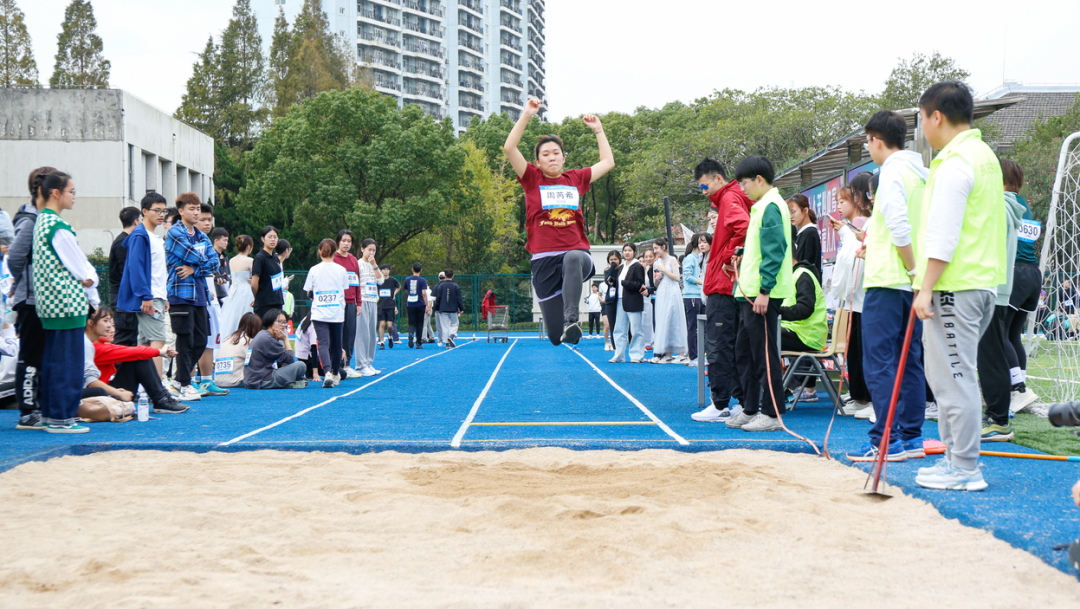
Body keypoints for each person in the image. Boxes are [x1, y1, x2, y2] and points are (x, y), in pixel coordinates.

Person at [912, 82, 1006, 492]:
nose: (920, 127)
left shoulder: (954, 163)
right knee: (951, 374)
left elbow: (944, 234)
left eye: (921, 118)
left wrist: (925, 287)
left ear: (936, 116)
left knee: (954, 378)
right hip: (978, 284)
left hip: (955, 286)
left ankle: (965, 467)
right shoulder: (983, 155)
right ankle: (954, 459)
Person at [502, 97, 615, 345]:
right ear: (538, 161)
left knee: (573, 256)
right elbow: (510, 148)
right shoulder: (532, 178)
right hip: (543, 261)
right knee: (555, 337)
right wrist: (527, 114)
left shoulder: (574, 178)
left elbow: (608, 162)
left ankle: (572, 319)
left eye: (556, 153)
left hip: (575, 256)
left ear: (564, 158)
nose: (552, 157)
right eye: (546, 154)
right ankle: (565, 328)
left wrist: (598, 129)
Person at [725, 156, 793, 433]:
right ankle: (751, 407)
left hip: (761, 294)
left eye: (744, 182)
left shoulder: (772, 206)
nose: (742, 188)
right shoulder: (761, 206)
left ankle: (773, 412)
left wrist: (765, 290)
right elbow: (762, 247)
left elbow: (775, 250)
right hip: (749, 292)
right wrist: (742, 254)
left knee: (764, 354)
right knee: (745, 352)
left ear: (759, 180)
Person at [32, 171, 101, 433]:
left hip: (50, 305)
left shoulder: (42, 222)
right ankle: (62, 417)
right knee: (69, 364)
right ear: (56, 193)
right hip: (67, 304)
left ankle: (51, 414)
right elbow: (83, 271)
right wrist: (92, 293)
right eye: (71, 191)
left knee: (53, 362)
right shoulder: (58, 227)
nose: (74, 196)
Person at [693, 158, 752, 423]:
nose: (703, 192)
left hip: (723, 287)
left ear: (718, 178)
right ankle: (739, 401)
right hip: (728, 286)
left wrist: (731, 256)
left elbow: (745, 228)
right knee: (734, 347)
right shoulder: (733, 198)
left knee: (718, 346)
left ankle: (720, 404)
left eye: (704, 186)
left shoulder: (730, 199)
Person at [977, 161, 1028, 442]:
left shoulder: (998, 208)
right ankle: (997, 416)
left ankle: (998, 419)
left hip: (991, 289)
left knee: (990, 356)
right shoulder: (1008, 207)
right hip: (996, 289)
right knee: (992, 353)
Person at [10, 166, 55, 430]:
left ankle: (39, 405)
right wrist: (26, 284)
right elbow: (15, 258)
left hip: (43, 300)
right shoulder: (29, 220)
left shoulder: (44, 219)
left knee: (42, 356)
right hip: (30, 301)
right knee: (30, 356)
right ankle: (27, 411)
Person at [117, 192, 175, 395]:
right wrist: (146, 296)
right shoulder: (141, 236)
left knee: (144, 344)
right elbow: (136, 267)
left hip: (156, 296)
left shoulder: (154, 237)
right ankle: (158, 390)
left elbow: (159, 271)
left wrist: (164, 297)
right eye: (157, 210)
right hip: (149, 297)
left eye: (164, 211)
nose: (161, 215)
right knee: (158, 342)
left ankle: (144, 389)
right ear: (144, 212)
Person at [84, 306, 187, 413]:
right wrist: (161, 352)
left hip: (106, 391)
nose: (110, 327)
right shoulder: (94, 348)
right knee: (138, 356)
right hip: (96, 397)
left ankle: (162, 396)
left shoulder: (98, 345)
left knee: (138, 356)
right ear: (90, 323)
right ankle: (160, 399)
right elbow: (91, 382)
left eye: (111, 322)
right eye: (106, 321)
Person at [165, 193, 218, 402]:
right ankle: (185, 383)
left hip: (200, 294)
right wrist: (199, 264)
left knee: (201, 338)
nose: (196, 213)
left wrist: (194, 270)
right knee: (185, 341)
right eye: (191, 209)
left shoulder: (202, 236)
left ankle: (178, 381)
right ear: (181, 211)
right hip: (180, 294)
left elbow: (214, 264)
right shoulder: (175, 233)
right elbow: (195, 256)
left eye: (198, 209)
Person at [827, 176, 873, 414]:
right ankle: (859, 395)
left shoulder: (862, 222)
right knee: (855, 349)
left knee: (863, 349)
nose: (841, 205)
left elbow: (853, 257)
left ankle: (867, 397)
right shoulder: (856, 225)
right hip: (855, 298)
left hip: (863, 296)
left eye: (847, 197)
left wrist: (848, 233)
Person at [1000, 160, 1043, 413]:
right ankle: (1020, 387)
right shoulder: (1024, 204)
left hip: (1016, 271)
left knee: (999, 333)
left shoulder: (1004, 203)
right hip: (1033, 274)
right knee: (1013, 333)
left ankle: (1019, 389)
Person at [779, 251, 828, 392]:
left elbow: (805, 309)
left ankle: (777, 392)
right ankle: (779, 389)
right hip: (799, 331)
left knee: (764, 337)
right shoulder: (794, 275)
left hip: (807, 335)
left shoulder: (803, 275)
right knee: (762, 334)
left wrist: (777, 311)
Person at [303, 239, 349, 388]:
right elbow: (344, 288)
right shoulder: (341, 270)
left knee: (322, 343)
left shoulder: (314, 270)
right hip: (336, 312)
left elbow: (309, 291)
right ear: (336, 252)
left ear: (319, 252)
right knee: (336, 344)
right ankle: (335, 373)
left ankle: (327, 372)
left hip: (319, 313)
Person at [194, 207, 229, 397]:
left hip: (210, 295)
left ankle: (207, 380)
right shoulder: (186, 239)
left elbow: (212, 267)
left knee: (211, 339)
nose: (207, 223)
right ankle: (188, 381)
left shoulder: (205, 242)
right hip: (194, 297)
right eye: (203, 219)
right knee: (192, 340)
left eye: (209, 219)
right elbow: (194, 266)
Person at [244, 309, 307, 390]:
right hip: (262, 380)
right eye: (280, 322)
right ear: (270, 322)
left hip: (254, 379)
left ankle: (291, 381)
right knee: (300, 366)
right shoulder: (268, 338)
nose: (283, 325)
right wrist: (285, 340)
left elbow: (282, 360)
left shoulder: (263, 334)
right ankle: (290, 382)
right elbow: (291, 359)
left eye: (285, 322)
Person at [649, 237, 688, 364]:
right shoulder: (656, 263)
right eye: (654, 249)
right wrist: (658, 277)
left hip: (672, 292)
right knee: (663, 320)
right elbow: (655, 283)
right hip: (661, 292)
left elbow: (677, 277)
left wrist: (664, 270)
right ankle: (667, 353)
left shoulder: (672, 260)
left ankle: (681, 353)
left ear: (663, 247)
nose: (655, 251)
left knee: (675, 319)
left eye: (656, 248)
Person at [108, 206, 142, 346]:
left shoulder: (126, 240)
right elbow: (125, 273)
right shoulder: (123, 242)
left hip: (124, 296)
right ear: (135, 222)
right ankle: (116, 367)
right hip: (122, 297)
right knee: (124, 337)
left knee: (131, 336)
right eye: (140, 220)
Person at [610, 243, 647, 363]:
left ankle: (636, 355)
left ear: (634, 252)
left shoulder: (637, 266)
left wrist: (625, 283)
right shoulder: (621, 267)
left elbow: (638, 284)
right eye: (625, 250)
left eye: (629, 250)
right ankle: (619, 355)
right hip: (620, 300)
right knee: (619, 329)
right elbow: (620, 283)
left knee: (636, 329)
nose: (627, 252)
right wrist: (613, 282)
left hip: (633, 300)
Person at [333, 230, 363, 377]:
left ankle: (348, 364)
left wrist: (359, 302)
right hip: (337, 302)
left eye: (349, 241)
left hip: (351, 303)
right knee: (337, 333)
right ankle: (336, 365)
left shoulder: (353, 260)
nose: (346, 244)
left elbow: (357, 283)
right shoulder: (333, 258)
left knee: (350, 333)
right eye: (343, 240)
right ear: (338, 241)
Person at [354, 238, 384, 375]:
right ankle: (360, 365)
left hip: (372, 300)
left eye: (374, 250)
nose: (372, 252)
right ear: (362, 250)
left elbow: (381, 280)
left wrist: (374, 265)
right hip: (362, 300)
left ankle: (368, 362)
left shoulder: (374, 265)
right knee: (362, 334)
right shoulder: (358, 264)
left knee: (372, 333)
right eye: (369, 250)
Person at [681, 233, 710, 365]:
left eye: (704, 242)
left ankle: (700, 354)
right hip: (691, 296)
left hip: (701, 295)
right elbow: (687, 276)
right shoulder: (690, 258)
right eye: (700, 242)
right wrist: (702, 283)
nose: (702, 244)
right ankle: (693, 356)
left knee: (703, 327)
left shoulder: (700, 258)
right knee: (693, 327)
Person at [219, 234, 254, 343]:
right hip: (246, 290)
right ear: (249, 247)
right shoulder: (250, 260)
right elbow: (254, 278)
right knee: (246, 317)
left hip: (233, 291)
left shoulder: (232, 260)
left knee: (231, 318)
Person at [215, 312, 261, 389]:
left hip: (218, 380)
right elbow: (259, 362)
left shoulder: (228, 338)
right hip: (237, 381)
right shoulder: (249, 341)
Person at [251, 226, 285, 319]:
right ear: (263, 239)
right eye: (270, 237)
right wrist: (258, 297)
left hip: (277, 301)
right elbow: (254, 284)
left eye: (275, 237)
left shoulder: (275, 258)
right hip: (264, 304)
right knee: (265, 331)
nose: (273, 239)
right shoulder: (260, 258)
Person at [787, 194, 821, 274]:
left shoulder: (810, 233)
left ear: (805, 210)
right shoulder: (803, 233)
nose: (791, 216)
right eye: (789, 213)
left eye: (793, 212)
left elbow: (806, 264)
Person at [433, 269, 464, 348]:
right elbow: (459, 298)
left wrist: (436, 308)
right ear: (453, 276)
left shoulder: (441, 286)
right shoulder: (455, 286)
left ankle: (447, 344)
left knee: (445, 326)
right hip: (453, 309)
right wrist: (461, 308)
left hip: (443, 309)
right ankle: (451, 336)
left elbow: (438, 298)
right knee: (455, 324)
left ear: (445, 276)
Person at [402, 262, 430, 349]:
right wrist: (426, 305)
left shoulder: (407, 279)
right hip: (420, 303)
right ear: (421, 270)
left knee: (411, 322)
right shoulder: (423, 281)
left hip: (410, 303)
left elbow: (406, 290)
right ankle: (419, 343)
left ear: (412, 270)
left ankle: (411, 333)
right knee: (420, 323)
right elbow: (424, 293)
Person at [602, 250, 621, 351]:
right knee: (612, 325)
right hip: (610, 300)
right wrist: (612, 267)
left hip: (622, 298)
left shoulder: (623, 269)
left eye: (615, 259)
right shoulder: (607, 270)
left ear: (619, 259)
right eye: (611, 259)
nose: (613, 261)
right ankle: (615, 348)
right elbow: (609, 281)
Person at [377, 263, 400, 349]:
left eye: (387, 269)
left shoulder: (393, 280)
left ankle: (390, 337)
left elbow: (399, 286)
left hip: (390, 305)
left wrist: (394, 293)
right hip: (381, 305)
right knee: (382, 324)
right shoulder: (378, 281)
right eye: (384, 269)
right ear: (381, 270)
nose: (386, 271)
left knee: (390, 325)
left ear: (389, 271)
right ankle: (382, 342)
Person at [640, 248, 656, 349]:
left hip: (653, 296)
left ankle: (652, 340)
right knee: (644, 319)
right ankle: (645, 340)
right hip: (645, 297)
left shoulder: (655, 267)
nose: (648, 259)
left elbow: (656, 284)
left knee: (652, 319)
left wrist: (649, 290)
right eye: (646, 257)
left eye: (650, 256)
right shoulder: (646, 270)